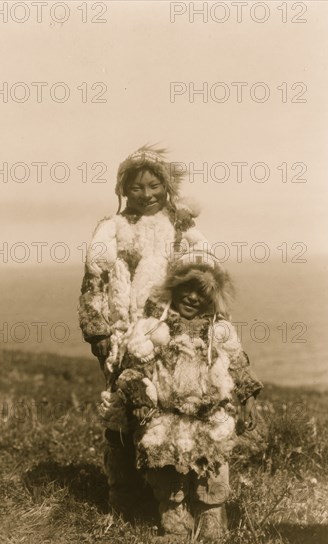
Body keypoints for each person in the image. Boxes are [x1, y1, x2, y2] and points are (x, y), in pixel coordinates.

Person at [78, 145, 208, 516]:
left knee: (172, 413)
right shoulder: (112, 229)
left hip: (172, 334)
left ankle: (173, 498)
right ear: (123, 190)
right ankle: (126, 497)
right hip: (122, 337)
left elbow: (204, 275)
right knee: (124, 411)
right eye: (137, 187)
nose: (147, 195)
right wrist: (98, 332)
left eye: (154, 186)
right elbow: (94, 282)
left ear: (166, 187)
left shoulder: (182, 228)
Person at [109, 254, 263, 541]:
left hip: (209, 415)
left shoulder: (219, 330)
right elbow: (133, 368)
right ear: (173, 288)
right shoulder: (155, 328)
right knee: (169, 477)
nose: (192, 298)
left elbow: (238, 364)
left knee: (213, 472)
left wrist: (248, 398)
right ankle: (176, 531)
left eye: (202, 293)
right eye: (186, 289)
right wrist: (141, 398)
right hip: (167, 418)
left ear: (212, 297)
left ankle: (212, 530)